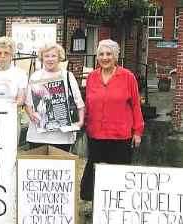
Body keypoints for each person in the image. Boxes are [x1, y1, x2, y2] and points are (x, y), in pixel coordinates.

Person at [80, 39, 144, 201]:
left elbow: (136, 105)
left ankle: (117, 209)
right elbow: (87, 103)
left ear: (116, 56)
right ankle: (97, 208)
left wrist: (138, 131)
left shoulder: (128, 77)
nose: (105, 57)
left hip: (120, 135)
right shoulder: (92, 77)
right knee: (95, 174)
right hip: (96, 134)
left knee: (118, 175)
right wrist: (82, 124)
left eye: (109, 54)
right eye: (101, 54)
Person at [24, 42, 85, 152]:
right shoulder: (35, 76)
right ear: (42, 58)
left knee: (61, 167)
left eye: (53, 56)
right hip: (38, 135)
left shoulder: (68, 76)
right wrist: (31, 114)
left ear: (59, 58)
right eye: (46, 56)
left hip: (62, 136)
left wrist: (80, 121)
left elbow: (78, 102)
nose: (50, 59)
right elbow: (28, 103)